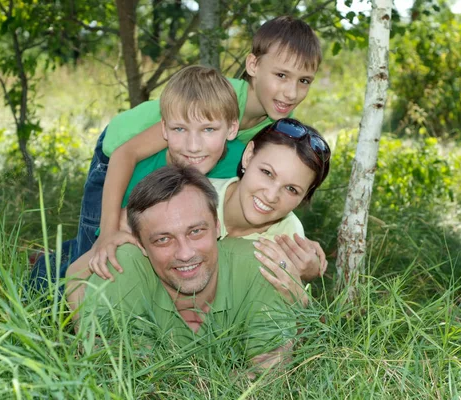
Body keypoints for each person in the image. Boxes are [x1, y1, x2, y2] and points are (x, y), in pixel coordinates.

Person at [81, 16, 323, 274]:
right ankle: (53, 274)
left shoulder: (275, 130)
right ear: (253, 64)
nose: (291, 92)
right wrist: (106, 232)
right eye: (281, 75)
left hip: (177, 163)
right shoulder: (218, 98)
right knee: (97, 246)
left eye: (304, 81)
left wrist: (300, 249)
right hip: (121, 154)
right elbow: (127, 153)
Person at [68, 118, 331, 312]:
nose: (272, 195)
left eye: (292, 189)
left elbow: (294, 327)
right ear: (249, 156)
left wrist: (301, 289)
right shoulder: (190, 198)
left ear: (305, 197)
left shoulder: (289, 238)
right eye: (267, 173)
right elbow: (77, 272)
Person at [30, 65, 242, 290]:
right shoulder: (142, 178)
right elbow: (115, 235)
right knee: (93, 263)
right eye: (179, 129)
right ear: (164, 129)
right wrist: (109, 234)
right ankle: (45, 270)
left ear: (231, 129)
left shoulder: (244, 159)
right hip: (134, 225)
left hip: (179, 241)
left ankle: (56, 255)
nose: (193, 146)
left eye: (208, 130)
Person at [78, 166, 295, 375]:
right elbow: (109, 368)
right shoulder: (121, 265)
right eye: (163, 239)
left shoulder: (260, 265)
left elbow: (271, 370)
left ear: (217, 226)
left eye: (196, 232)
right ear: (141, 245)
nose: (185, 253)